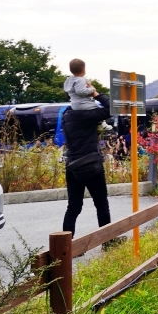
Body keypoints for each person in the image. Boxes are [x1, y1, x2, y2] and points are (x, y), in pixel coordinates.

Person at [60, 86, 112, 235]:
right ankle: (107, 241)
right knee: (101, 205)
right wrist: (97, 94)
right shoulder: (87, 115)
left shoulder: (67, 114)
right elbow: (111, 108)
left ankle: (66, 246)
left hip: (72, 165)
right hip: (90, 164)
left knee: (73, 207)